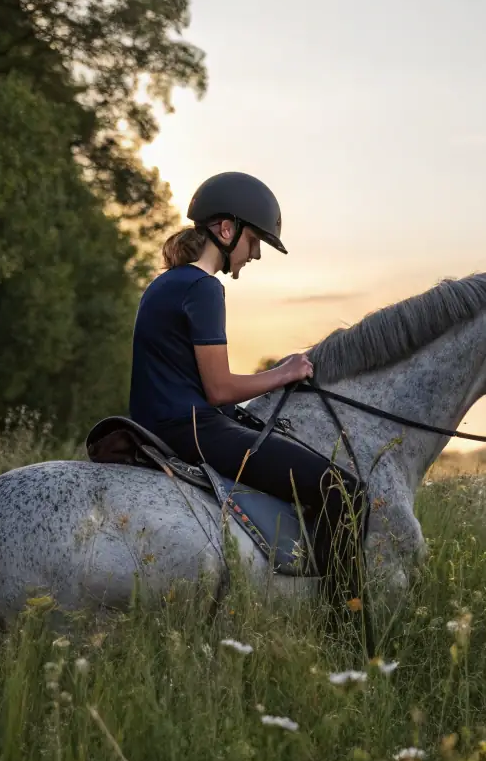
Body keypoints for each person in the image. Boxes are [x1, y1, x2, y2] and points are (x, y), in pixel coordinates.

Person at [128, 171, 365, 606]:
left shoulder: (162, 285)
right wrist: (287, 371)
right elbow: (218, 389)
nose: (256, 254)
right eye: (254, 241)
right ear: (225, 229)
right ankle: (345, 625)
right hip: (195, 430)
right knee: (346, 493)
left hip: (157, 425)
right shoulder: (203, 287)